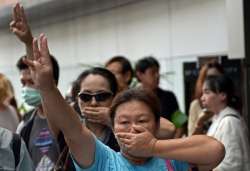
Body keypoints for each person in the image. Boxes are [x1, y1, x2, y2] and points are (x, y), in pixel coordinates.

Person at [24, 33, 225, 171]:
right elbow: (73, 131)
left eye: (142, 120)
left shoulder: (172, 159)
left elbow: (216, 150)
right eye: (124, 122)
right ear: (113, 125)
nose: (133, 128)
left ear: (156, 124)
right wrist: (47, 87)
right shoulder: (103, 159)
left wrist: (154, 147)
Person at [10, 4, 62, 170]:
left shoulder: (69, 116)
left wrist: (28, 41)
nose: (25, 88)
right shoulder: (25, 124)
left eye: (31, 82)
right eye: (23, 83)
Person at [200, 75, 250, 171]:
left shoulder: (229, 122)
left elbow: (232, 164)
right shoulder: (218, 119)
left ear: (222, 95)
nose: (202, 98)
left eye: (207, 92)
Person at [135, 56, 185, 137]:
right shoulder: (132, 98)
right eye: (152, 73)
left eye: (158, 72)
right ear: (140, 74)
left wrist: (173, 144)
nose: (157, 76)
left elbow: (180, 123)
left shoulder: (169, 96)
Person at [188, 61, 224, 136]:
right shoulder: (196, 105)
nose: (213, 82)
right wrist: (200, 122)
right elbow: (191, 138)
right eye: (209, 78)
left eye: (217, 78)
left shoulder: (228, 111)